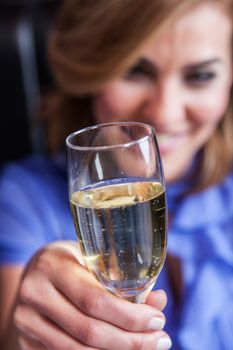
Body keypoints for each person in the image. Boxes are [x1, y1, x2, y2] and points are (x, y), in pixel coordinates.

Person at [1, 0, 233, 349]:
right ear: (90, 70)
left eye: (200, 76)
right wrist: (26, 337)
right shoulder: (23, 199)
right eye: (134, 70)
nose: (165, 114)